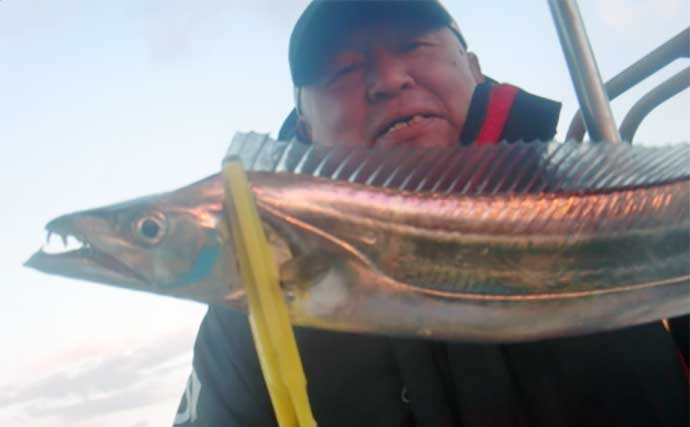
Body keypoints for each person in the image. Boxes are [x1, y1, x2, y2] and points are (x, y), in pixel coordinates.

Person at [174, 1, 689, 426]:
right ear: (304, 127)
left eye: (414, 45)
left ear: (473, 68)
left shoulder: (626, 208)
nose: (389, 79)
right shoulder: (252, 306)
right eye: (344, 70)